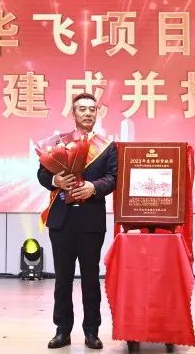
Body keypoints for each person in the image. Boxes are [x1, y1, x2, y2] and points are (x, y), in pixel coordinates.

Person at [37, 92, 117, 350]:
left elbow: (113, 178)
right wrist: (56, 180)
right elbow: (42, 174)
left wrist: (94, 187)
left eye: (92, 109)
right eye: (82, 109)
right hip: (61, 220)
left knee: (91, 279)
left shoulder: (107, 146)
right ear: (73, 113)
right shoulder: (59, 142)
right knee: (63, 279)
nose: (87, 113)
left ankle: (92, 331)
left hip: (91, 220)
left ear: (97, 113)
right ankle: (62, 331)